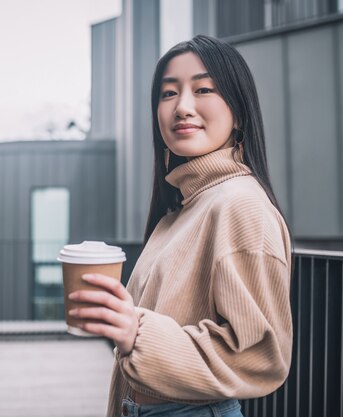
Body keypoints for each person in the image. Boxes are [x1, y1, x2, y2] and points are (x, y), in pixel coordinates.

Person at [68, 35, 293, 417]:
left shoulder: (239, 204)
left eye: (204, 88)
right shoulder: (183, 209)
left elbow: (261, 356)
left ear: (238, 112)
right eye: (168, 94)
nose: (182, 107)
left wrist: (136, 333)